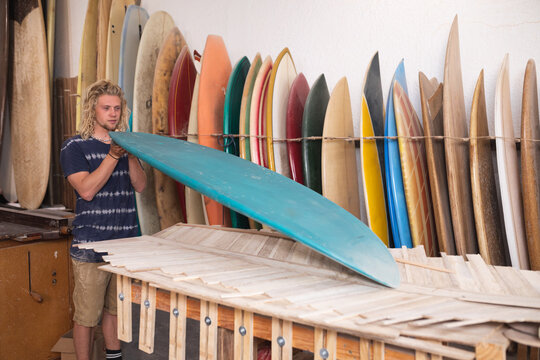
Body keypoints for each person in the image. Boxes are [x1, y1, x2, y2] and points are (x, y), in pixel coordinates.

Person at [60, 80, 146, 360]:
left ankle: (114, 356)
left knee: (114, 310)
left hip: (124, 244)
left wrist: (129, 154)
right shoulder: (74, 147)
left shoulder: (123, 147)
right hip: (91, 245)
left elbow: (141, 185)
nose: (113, 114)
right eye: (106, 108)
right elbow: (86, 189)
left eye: (118, 109)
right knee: (87, 316)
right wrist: (112, 155)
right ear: (92, 110)